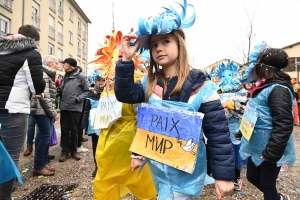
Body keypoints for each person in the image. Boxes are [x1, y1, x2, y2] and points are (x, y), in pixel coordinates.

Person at [115, 26, 234, 198]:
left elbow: (218, 132)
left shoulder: (201, 86)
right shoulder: (148, 83)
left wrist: (223, 175)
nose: (159, 48)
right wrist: (126, 58)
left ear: (180, 45)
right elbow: (126, 95)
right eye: (154, 45)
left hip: (185, 176)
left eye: (166, 41)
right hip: (158, 173)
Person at [236, 46, 296, 200]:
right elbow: (253, 114)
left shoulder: (278, 89)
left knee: (267, 184)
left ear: (264, 68)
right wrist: (241, 132)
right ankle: (279, 198)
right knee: (252, 177)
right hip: (255, 144)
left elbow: (284, 123)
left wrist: (272, 153)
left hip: (269, 145)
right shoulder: (264, 86)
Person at [0, 25, 46, 200]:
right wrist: (37, 91)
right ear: (34, 40)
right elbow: (37, 86)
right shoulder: (31, 53)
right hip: (13, 109)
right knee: (11, 157)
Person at [30, 55, 59, 176]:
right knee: (44, 136)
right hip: (42, 111)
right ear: (49, 63)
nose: (58, 66)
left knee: (42, 136)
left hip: (43, 111)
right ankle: (38, 166)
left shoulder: (48, 75)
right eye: (56, 63)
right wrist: (53, 113)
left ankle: (43, 162)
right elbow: (45, 97)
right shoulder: (43, 74)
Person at [57, 58, 89, 162]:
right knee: (64, 130)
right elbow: (61, 89)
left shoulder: (81, 76)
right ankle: (65, 151)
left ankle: (74, 150)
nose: (63, 66)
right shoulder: (65, 76)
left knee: (74, 130)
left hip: (75, 107)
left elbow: (86, 91)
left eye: (64, 64)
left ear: (70, 65)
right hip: (64, 106)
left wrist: (77, 99)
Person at [81, 76, 104, 177]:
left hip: (106, 125)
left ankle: (105, 167)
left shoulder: (110, 92)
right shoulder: (90, 94)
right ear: (95, 81)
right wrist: (84, 124)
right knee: (96, 147)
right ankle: (97, 166)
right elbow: (86, 110)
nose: (102, 82)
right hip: (94, 125)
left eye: (104, 80)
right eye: (100, 80)